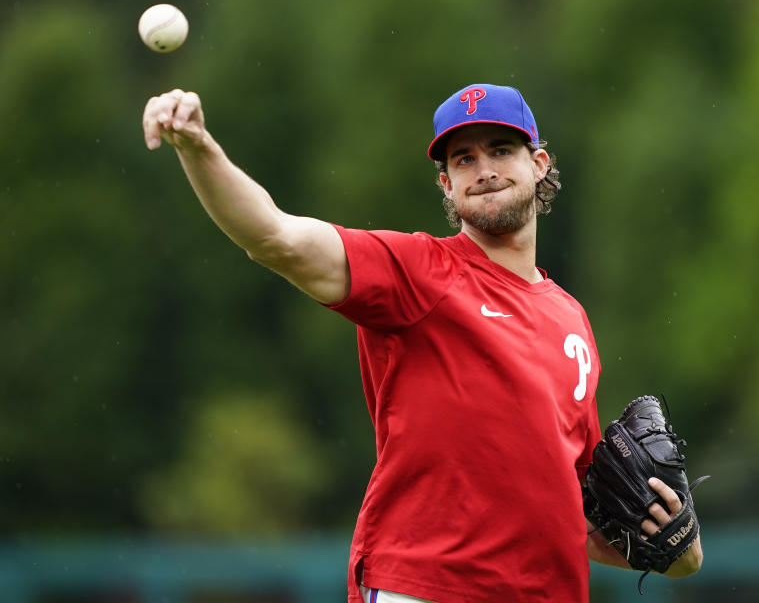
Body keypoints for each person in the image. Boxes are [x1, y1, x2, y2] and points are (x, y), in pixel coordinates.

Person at [142, 83, 702, 602]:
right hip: (427, 585)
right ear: (446, 184)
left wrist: (667, 547)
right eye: (463, 159)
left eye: (500, 149)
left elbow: (570, 509)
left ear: (538, 164)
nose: (483, 169)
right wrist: (198, 147)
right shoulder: (419, 273)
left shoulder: (571, 320)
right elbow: (276, 237)